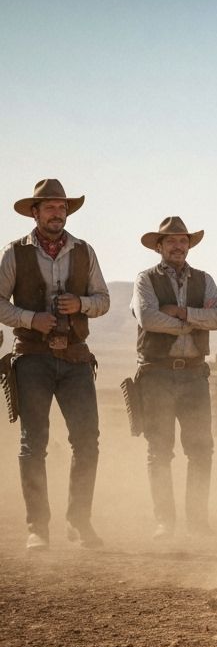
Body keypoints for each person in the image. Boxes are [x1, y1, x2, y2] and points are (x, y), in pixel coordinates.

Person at [0, 179, 109, 550]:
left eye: (62, 207)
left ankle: (79, 523)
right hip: (31, 357)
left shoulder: (84, 251)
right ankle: (38, 528)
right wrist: (31, 319)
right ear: (35, 212)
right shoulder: (14, 253)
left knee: (87, 442)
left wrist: (81, 304)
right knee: (34, 443)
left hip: (77, 357)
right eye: (49, 207)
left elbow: (104, 299)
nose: (57, 213)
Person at [131, 216, 217, 538]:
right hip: (156, 373)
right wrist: (191, 325)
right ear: (159, 246)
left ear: (189, 245)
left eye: (183, 240)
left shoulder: (204, 279)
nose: (177, 246)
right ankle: (165, 522)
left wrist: (182, 313)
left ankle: (198, 521)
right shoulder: (145, 279)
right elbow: (148, 318)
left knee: (201, 449)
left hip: (195, 374)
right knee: (159, 450)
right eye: (170, 241)